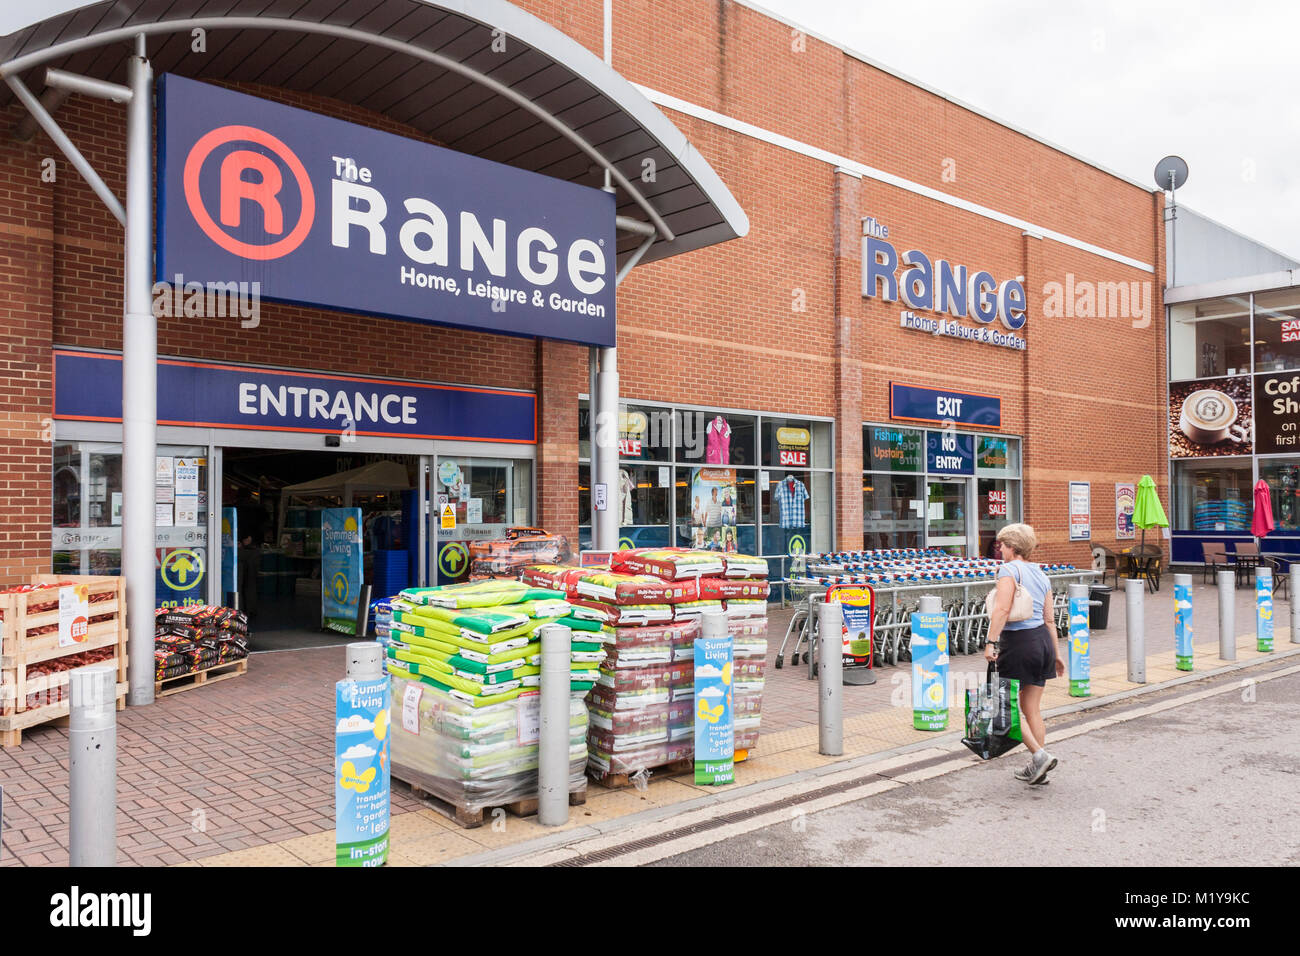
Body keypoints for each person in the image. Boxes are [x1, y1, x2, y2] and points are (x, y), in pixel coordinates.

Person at [984, 522, 1064, 785]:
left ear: (1013, 547)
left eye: (1003, 545)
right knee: (1033, 709)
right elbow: (1050, 619)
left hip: (1018, 642)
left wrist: (990, 642)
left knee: (1007, 706)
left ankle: (1039, 756)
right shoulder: (1041, 574)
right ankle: (1036, 768)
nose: (1001, 550)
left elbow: (1002, 610)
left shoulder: (1008, 570)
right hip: (1041, 641)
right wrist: (1056, 653)